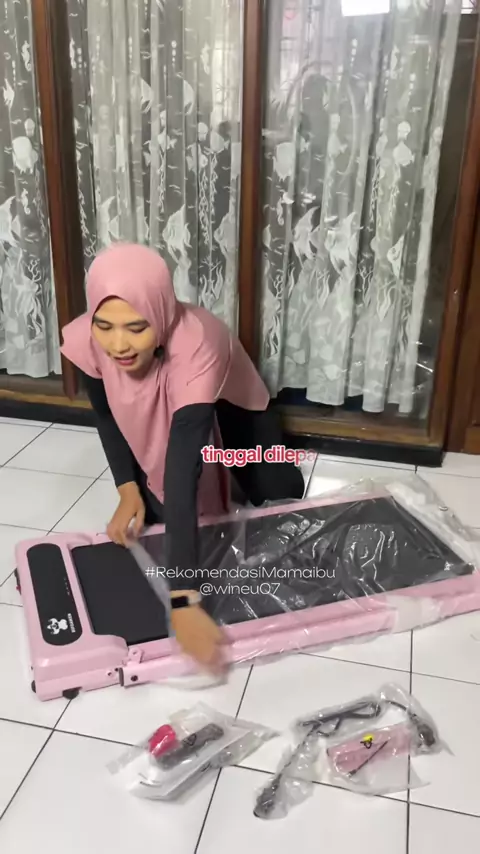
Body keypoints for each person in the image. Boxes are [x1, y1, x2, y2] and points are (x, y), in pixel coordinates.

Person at [60, 243, 304, 672]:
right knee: (158, 516)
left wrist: (183, 597)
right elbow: (106, 413)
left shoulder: (197, 343)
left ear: (158, 314)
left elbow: (183, 462)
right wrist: (127, 489)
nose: (118, 344)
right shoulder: (87, 337)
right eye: (105, 326)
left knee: (280, 490)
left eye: (136, 327)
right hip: (164, 410)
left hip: (232, 409)